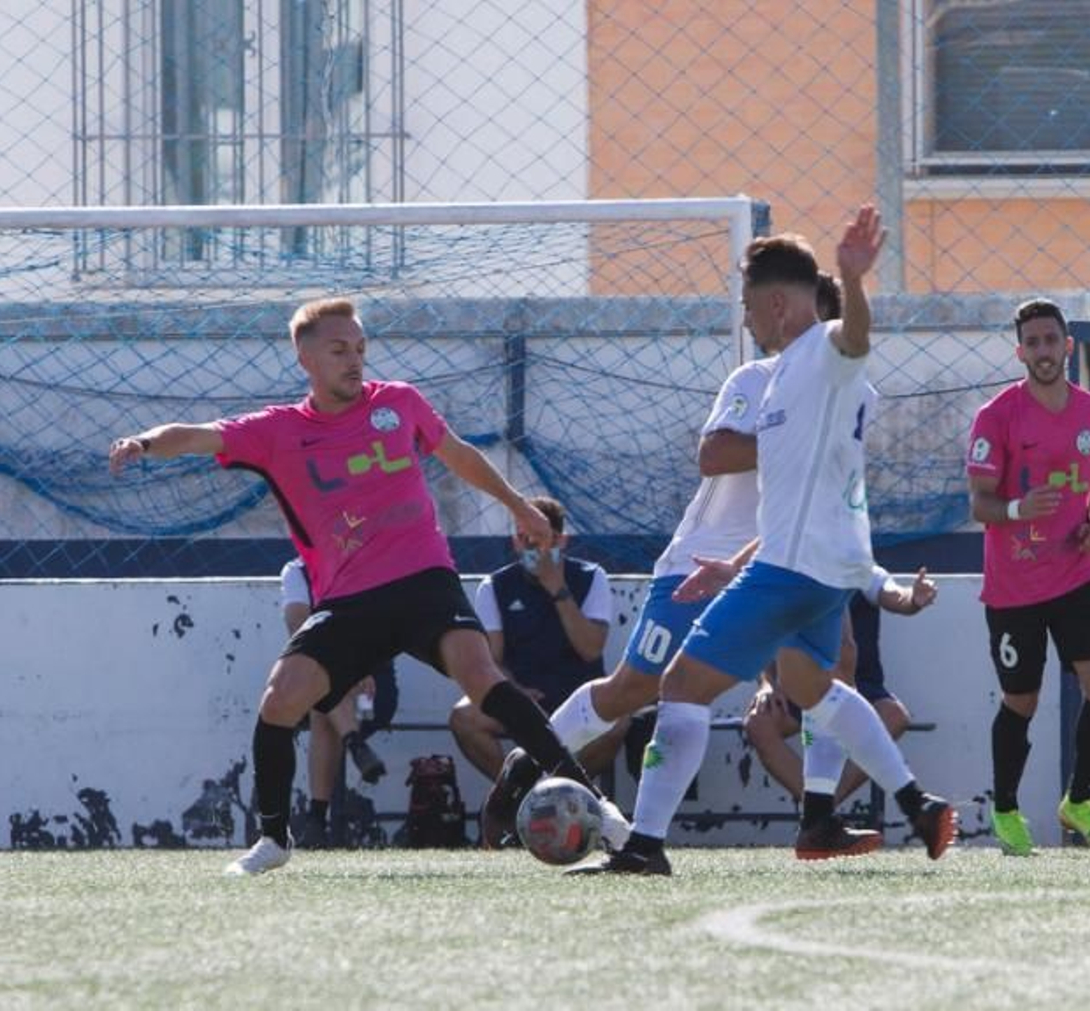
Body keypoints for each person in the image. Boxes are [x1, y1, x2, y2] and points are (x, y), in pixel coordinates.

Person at [107, 296, 628, 875]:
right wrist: (144, 443)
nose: (354, 361)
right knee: (281, 702)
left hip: (424, 577)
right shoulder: (277, 431)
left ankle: (598, 807)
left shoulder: (399, 403)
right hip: (349, 598)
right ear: (305, 357)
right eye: (338, 350)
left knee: (482, 679)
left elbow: (457, 454)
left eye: (359, 349)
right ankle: (274, 840)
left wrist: (515, 505)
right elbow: (198, 434)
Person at [571, 206, 956, 876]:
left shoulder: (824, 355)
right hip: (814, 571)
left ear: (777, 304)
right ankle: (915, 802)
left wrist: (855, 279)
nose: (746, 319)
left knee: (682, 684)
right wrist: (734, 564)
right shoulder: (780, 380)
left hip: (790, 574)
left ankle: (644, 845)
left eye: (749, 305)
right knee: (820, 688)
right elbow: (802, 495)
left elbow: (855, 338)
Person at [967, 297, 1090, 856]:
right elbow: (979, 504)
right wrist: (1017, 510)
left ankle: (1080, 801)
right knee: (1023, 701)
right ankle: (1006, 810)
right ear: (1020, 352)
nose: (1043, 352)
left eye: (1050, 341)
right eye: (1032, 343)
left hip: (1078, 573)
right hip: (1014, 587)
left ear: (1067, 346)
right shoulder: (997, 416)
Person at [451, 495, 623, 795]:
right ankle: (522, 794)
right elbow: (492, 659)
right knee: (464, 718)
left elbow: (591, 649)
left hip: (577, 694)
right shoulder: (495, 586)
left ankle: (566, 794)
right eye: (523, 537)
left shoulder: (591, 577)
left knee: (619, 722)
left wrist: (557, 588)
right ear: (514, 542)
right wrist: (513, 689)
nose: (532, 546)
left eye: (541, 538)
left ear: (561, 540)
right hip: (523, 698)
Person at [743, 584, 921, 807]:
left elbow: (894, 594)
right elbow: (767, 637)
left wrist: (914, 598)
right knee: (758, 724)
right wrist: (767, 683)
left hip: (860, 688)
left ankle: (822, 809)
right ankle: (819, 813)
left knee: (894, 716)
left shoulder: (861, 570)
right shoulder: (790, 577)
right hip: (800, 685)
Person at [279, 556, 397, 848]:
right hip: (323, 673)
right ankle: (355, 744)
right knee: (326, 690)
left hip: (372, 684)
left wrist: (360, 667)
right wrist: (347, 669)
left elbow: (384, 630)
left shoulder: (370, 565)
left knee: (324, 701)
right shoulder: (297, 572)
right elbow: (298, 628)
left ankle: (316, 819)